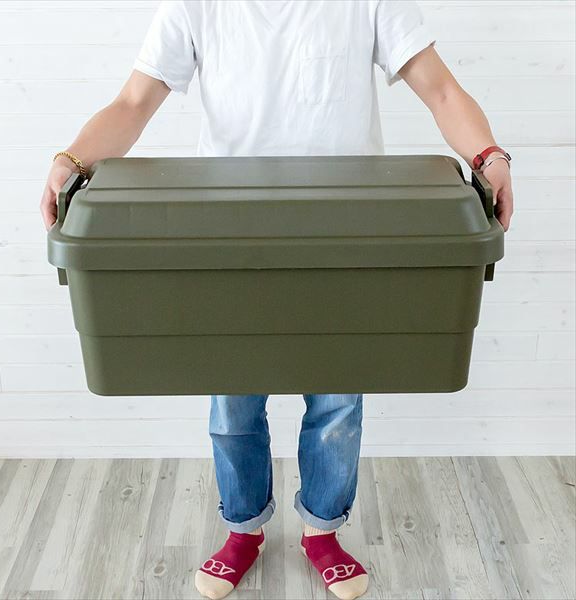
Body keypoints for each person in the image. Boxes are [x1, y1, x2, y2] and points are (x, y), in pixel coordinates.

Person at [40, 2, 514, 599]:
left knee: (338, 401)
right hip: (228, 236)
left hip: (346, 233)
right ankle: (242, 531)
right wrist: (69, 162)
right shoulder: (195, 6)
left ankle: (322, 532)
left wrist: (489, 157)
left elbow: (440, 89)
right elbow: (134, 104)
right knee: (232, 403)